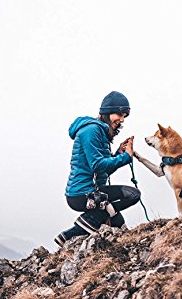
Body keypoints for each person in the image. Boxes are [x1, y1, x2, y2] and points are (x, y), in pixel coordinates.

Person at [54, 91, 141, 247]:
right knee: (132, 195)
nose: (121, 120)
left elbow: (103, 171)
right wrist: (126, 157)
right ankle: (72, 233)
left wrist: (118, 154)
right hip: (82, 194)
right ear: (107, 112)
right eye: (119, 114)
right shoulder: (91, 131)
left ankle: (94, 223)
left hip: (95, 192)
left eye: (124, 116)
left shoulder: (101, 133)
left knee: (118, 224)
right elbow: (98, 164)